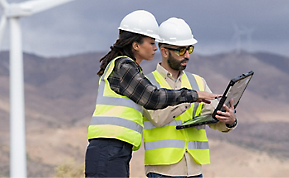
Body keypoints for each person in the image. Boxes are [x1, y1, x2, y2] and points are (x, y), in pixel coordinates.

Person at [84, 10, 220, 178]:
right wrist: (193, 95)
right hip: (109, 148)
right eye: (151, 42)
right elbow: (153, 98)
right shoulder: (124, 67)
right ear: (136, 45)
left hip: (114, 148)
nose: (156, 47)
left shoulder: (125, 68)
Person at [142, 17, 237, 178]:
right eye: (181, 50)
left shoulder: (198, 82)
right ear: (164, 52)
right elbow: (158, 118)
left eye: (189, 49)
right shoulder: (147, 83)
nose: (187, 55)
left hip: (194, 170)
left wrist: (229, 120)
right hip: (162, 171)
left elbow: (212, 118)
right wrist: (191, 98)